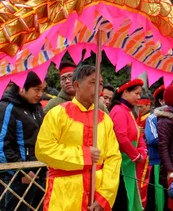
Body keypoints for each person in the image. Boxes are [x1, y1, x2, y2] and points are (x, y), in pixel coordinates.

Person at [36, 64, 121, 210]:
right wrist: (84, 155)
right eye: (93, 83)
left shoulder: (105, 119)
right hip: (64, 194)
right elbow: (43, 150)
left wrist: (104, 197)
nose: (98, 88)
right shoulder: (57, 114)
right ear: (77, 85)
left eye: (100, 84)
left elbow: (113, 158)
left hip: (96, 193)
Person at [0, 72, 45, 211]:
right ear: (21, 88)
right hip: (17, 179)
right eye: (36, 90)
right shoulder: (6, 108)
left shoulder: (37, 108)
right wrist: (22, 172)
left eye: (42, 90)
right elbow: (0, 148)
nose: (40, 94)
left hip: (39, 174)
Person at [109, 79, 148, 211]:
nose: (139, 97)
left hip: (130, 161)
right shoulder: (119, 111)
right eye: (136, 93)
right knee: (124, 198)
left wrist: (142, 150)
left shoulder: (128, 111)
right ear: (125, 92)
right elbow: (121, 138)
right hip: (122, 163)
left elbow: (138, 134)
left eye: (139, 94)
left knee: (131, 195)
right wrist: (136, 156)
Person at [144, 94, 165, 211]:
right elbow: (152, 139)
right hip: (157, 161)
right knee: (158, 195)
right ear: (161, 101)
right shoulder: (152, 118)